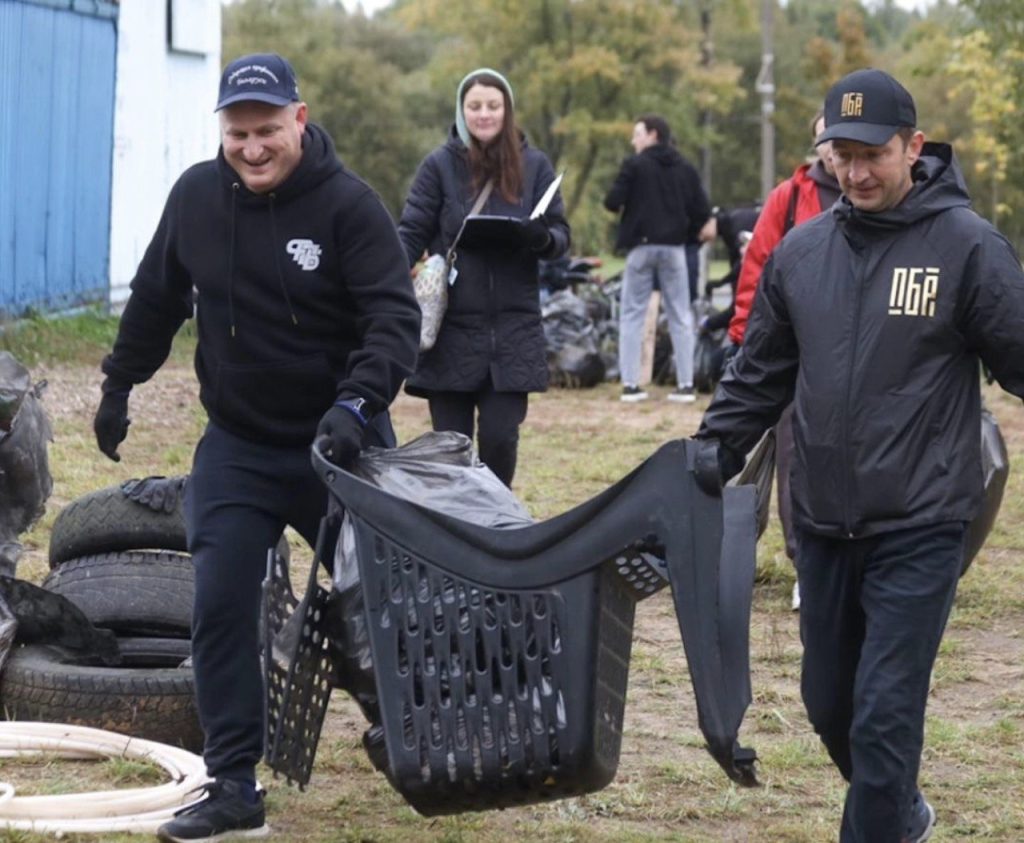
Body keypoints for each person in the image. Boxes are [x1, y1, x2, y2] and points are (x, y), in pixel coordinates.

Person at [92, 53, 420, 842]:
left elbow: (394, 319)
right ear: (222, 130)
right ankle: (233, 784)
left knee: (370, 603)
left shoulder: (348, 206)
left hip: (339, 444)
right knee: (221, 603)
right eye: (237, 132)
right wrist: (118, 384)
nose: (253, 147)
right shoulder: (198, 198)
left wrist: (356, 401)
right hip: (238, 444)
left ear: (298, 120)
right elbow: (157, 296)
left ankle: (406, 726)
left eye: (267, 129)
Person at [694, 68, 1024, 842]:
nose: (855, 171)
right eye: (840, 153)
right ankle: (901, 813)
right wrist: (711, 449)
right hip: (822, 520)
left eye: (872, 153)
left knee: (883, 719)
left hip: (923, 519)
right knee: (829, 704)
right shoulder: (802, 254)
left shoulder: (967, 248)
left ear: (914, 146)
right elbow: (759, 376)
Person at [398, 68, 569, 487]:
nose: (484, 114)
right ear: (462, 110)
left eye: (493, 106)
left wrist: (541, 238)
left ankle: (496, 528)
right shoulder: (439, 166)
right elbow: (411, 230)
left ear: (507, 110)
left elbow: (562, 237)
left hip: (513, 330)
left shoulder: (535, 166)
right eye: (475, 106)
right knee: (449, 449)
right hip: (452, 331)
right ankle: (455, 534)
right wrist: (378, 280)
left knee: (500, 439)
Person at [728, 109, 841, 610]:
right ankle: (805, 564)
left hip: (864, 357)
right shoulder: (790, 197)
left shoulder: (886, 196)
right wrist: (743, 335)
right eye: (825, 140)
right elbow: (759, 268)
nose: (834, 151)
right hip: (797, 354)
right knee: (795, 454)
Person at [604, 114, 711, 403]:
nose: (633, 140)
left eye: (637, 134)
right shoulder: (685, 167)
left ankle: (630, 385)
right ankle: (686, 385)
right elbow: (702, 209)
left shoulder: (634, 165)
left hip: (640, 248)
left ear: (652, 135)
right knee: (680, 314)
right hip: (675, 249)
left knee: (632, 315)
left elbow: (612, 202)